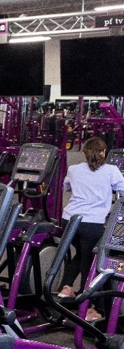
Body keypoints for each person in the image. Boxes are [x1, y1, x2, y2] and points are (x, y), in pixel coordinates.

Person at [58, 137, 124, 322]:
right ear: (103, 152)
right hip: (92, 224)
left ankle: (66, 286)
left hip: (69, 220)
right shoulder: (111, 170)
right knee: (93, 264)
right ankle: (95, 308)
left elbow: (67, 187)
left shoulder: (74, 169)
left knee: (82, 254)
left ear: (85, 153)